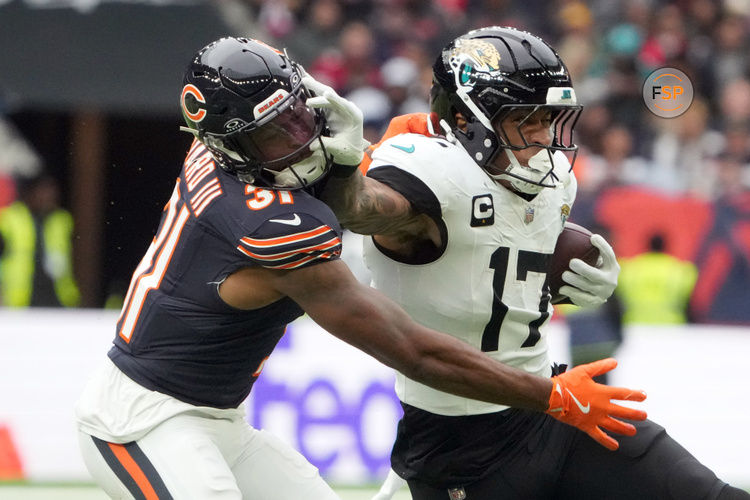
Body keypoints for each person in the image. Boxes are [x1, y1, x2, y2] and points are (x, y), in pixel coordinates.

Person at [74, 36, 647, 500]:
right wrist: (547, 395)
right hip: (143, 421)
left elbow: (354, 188)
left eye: (299, 117)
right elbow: (410, 349)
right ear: (230, 146)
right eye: (275, 137)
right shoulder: (267, 224)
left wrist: (371, 153)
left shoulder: (217, 150)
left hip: (221, 419)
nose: (300, 143)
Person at [319, 27, 748, 499]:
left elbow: (489, 259)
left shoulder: (553, 181)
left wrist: (564, 276)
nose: (545, 138)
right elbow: (361, 208)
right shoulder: (428, 171)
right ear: (466, 120)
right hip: (460, 444)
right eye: (526, 119)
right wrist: (342, 169)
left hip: (555, 407)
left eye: (549, 118)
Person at [0, 173, 79, 307]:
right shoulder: (10, 218)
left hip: (58, 298)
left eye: (51, 191)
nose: (48, 196)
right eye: (43, 191)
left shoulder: (62, 220)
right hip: (20, 300)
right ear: (30, 193)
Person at [617, 233, 698, 324]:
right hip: (671, 326)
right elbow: (690, 306)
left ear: (647, 246)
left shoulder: (629, 269)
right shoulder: (682, 271)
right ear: (665, 246)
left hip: (634, 324)